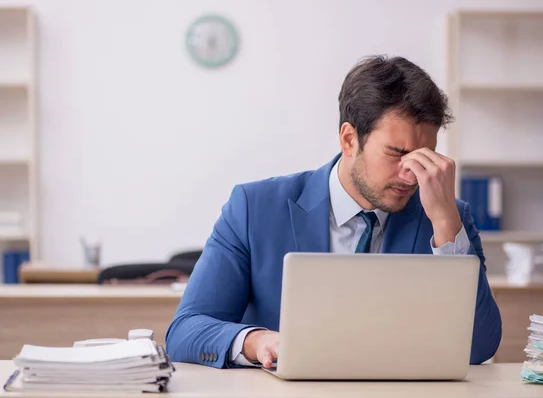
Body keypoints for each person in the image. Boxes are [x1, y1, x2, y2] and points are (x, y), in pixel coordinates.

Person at [165, 55, 502, 369]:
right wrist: (256, 341)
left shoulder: (449, 219)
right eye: (396, 153)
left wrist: (445, 225)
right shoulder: (254, 208)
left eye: (424, 155)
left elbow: (480, 345)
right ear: (348, 139)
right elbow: (186, 331)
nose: (411, 173)